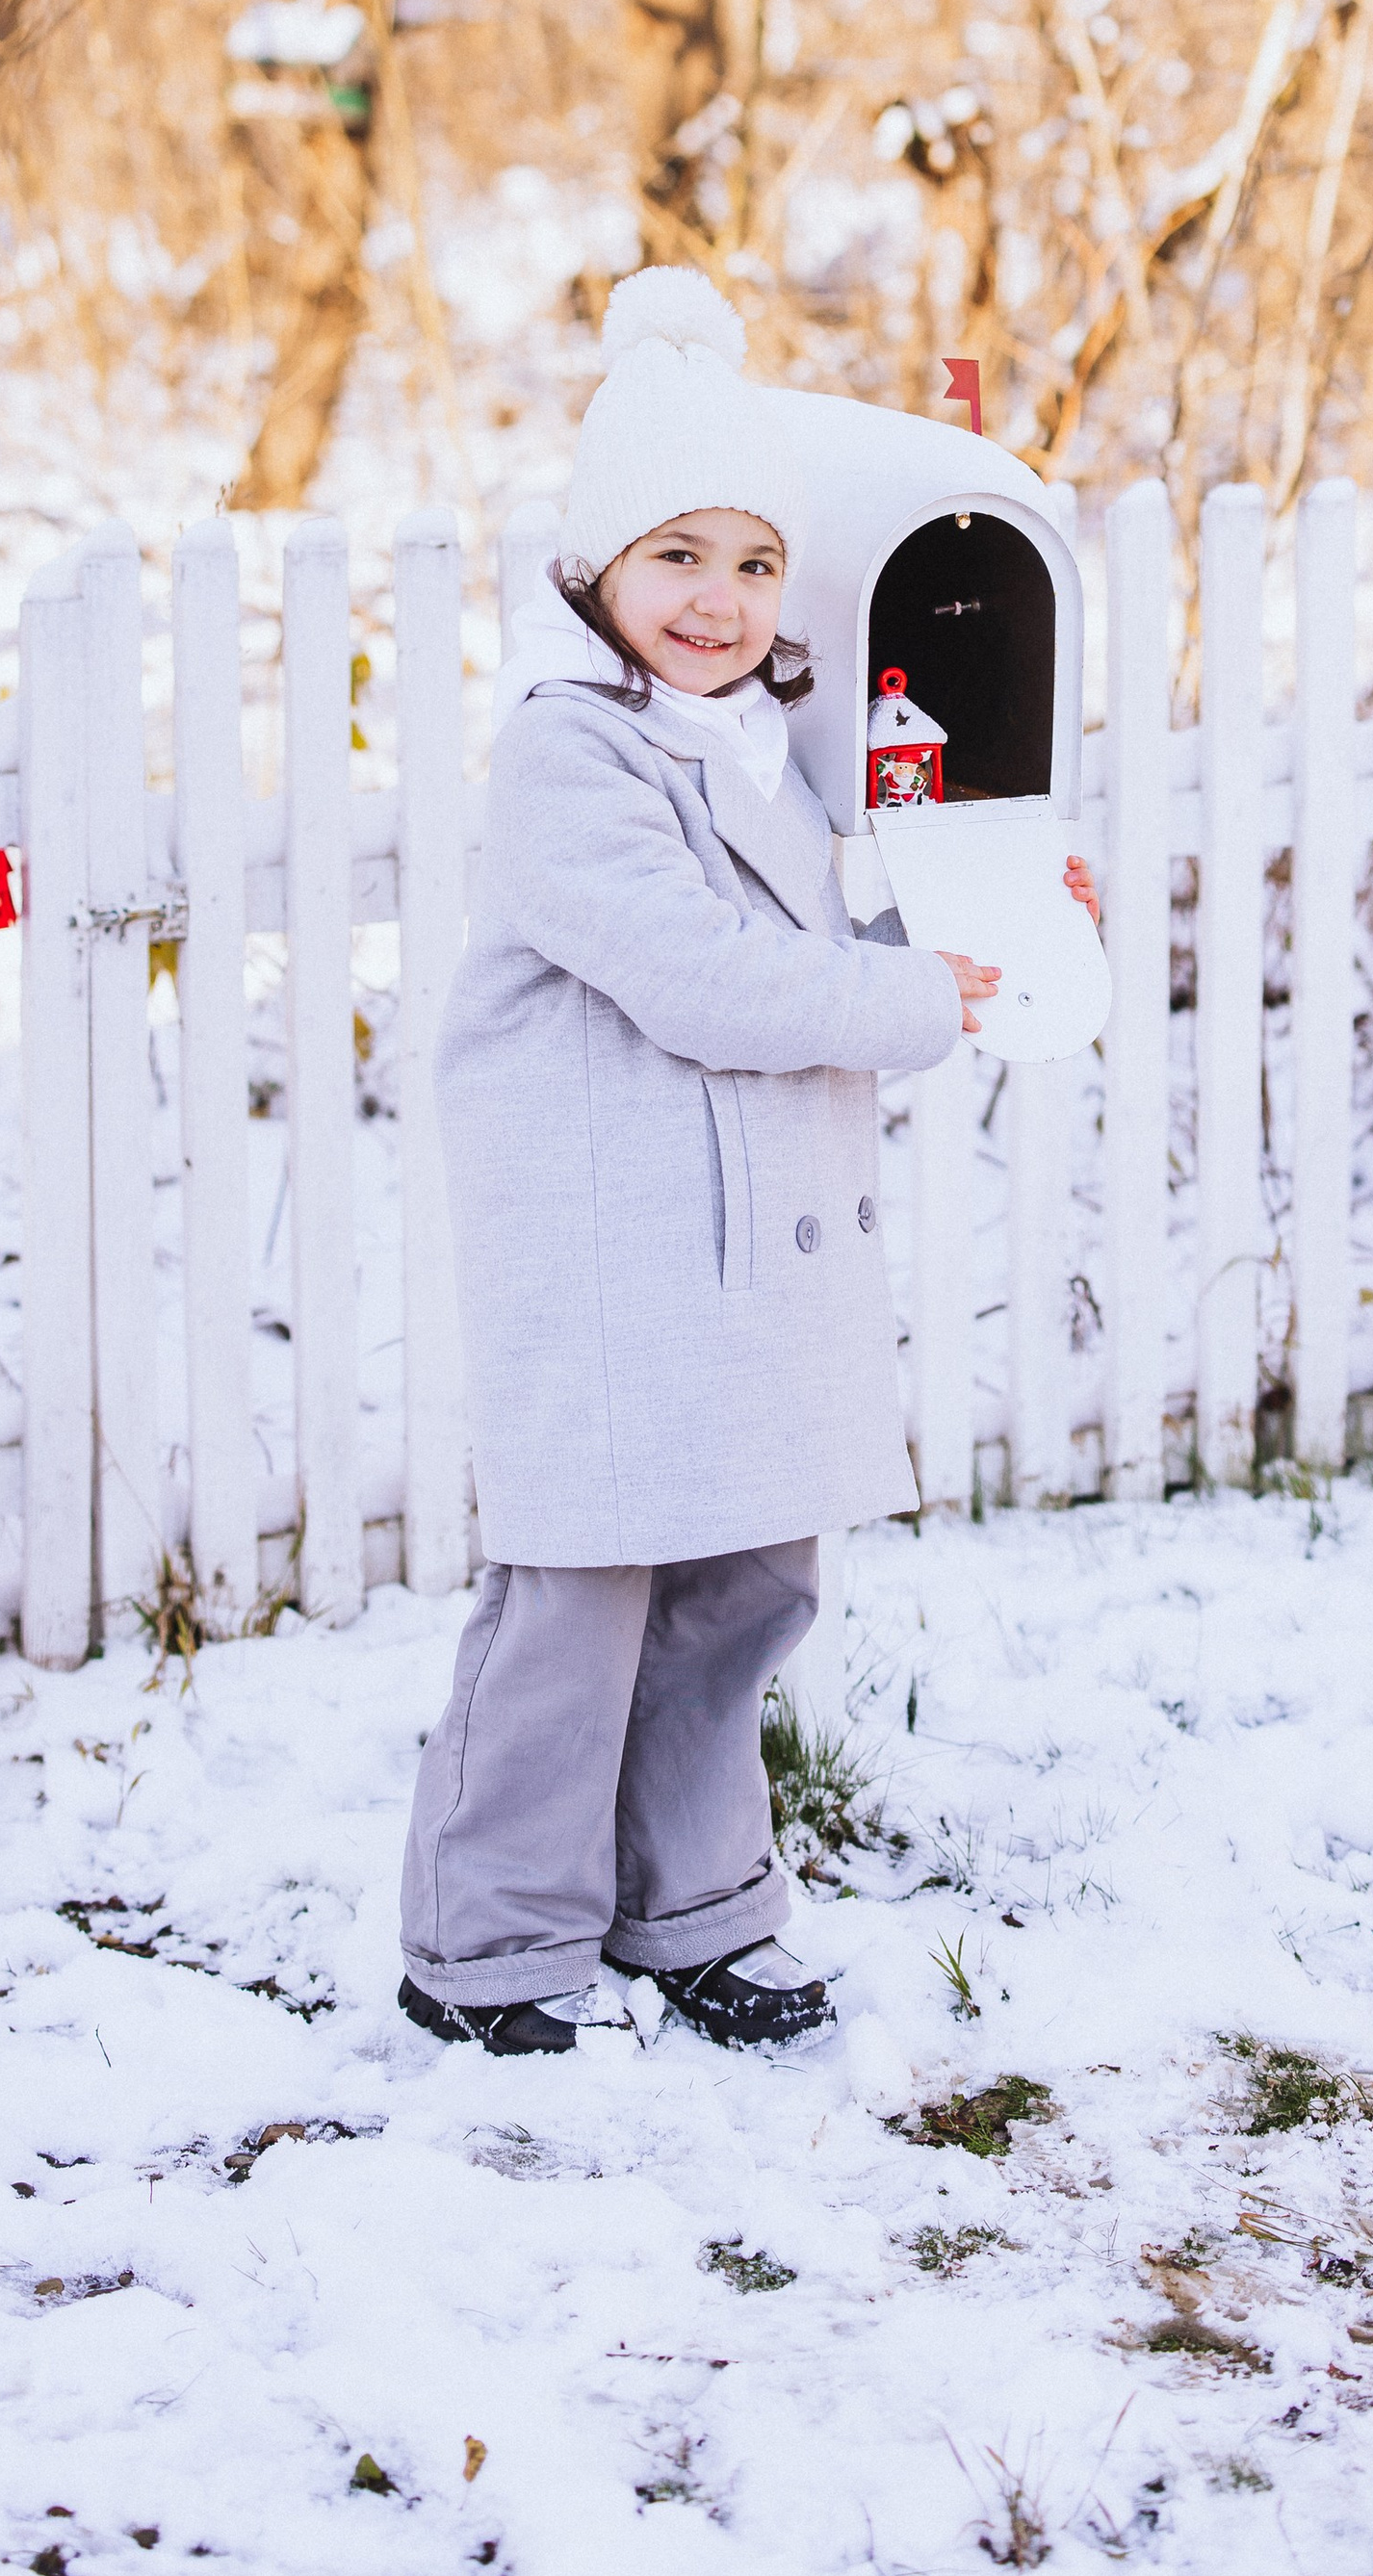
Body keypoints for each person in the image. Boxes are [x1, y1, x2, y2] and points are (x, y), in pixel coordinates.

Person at [398, 267, 1094, 2061]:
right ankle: (491, 1940)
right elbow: (704, 976)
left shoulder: (756, 740)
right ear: (596, 568)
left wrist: (974, 917)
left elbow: (798, 909)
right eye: (677, 558)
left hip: (742, 1241)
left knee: (747, 1583)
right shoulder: (571, 754)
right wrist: (915, 995)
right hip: (613, 1240)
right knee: (582, 1593)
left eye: (757, 564)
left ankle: (694, 1903)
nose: (719, 602)